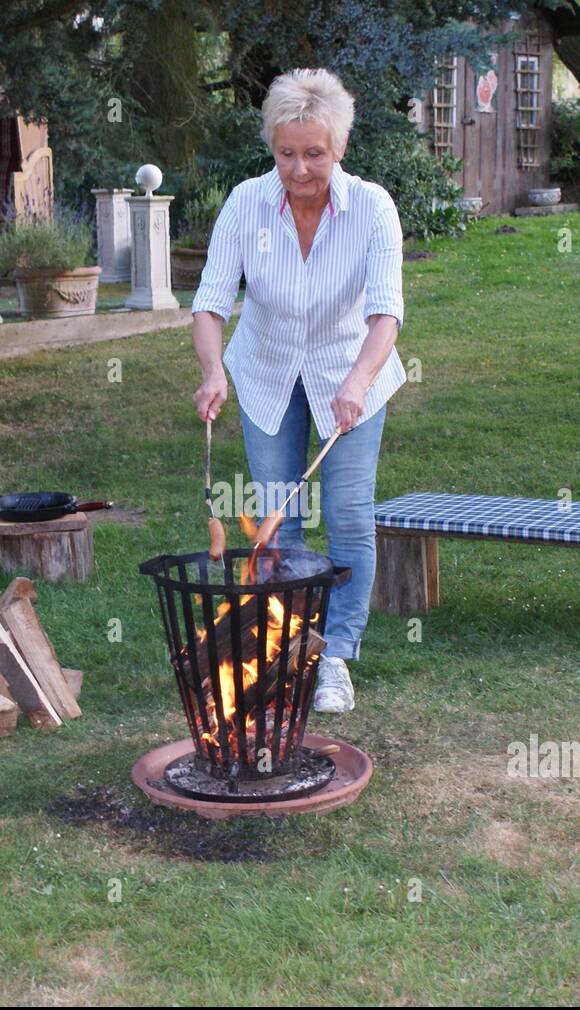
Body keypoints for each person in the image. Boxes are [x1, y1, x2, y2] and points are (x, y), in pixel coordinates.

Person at [190, 67, 406, 713]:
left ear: (339, 147)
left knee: (346, 514)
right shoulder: (245, 203)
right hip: (266, 372)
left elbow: (386, 314)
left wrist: (358, 381)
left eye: (315, 153)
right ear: (272, 147)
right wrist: (211, 371)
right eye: (288, 153)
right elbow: (209, 302)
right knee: (280, 520)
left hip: (350, 374)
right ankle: (287, 651)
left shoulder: (372, 207)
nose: (301, 168)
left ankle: (335, 655)